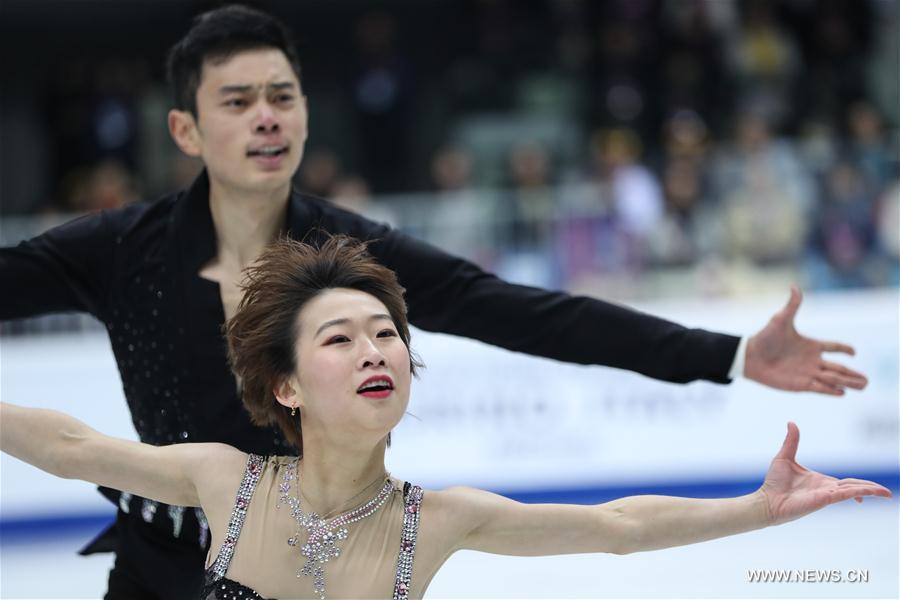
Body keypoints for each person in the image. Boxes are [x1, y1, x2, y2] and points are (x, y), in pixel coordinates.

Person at [0, 5, 868, 599]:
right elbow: (68, 440)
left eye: (283, 96)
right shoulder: (119, 250)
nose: (267, 117)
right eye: (238, 101)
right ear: (186, 129)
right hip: (160, 565)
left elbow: (526, 312)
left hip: (352, 559)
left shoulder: (354, 258)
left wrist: (727, 354)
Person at [1, 236, 891, 600]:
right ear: (287, 387)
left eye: (386, 334)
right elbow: (75, 446)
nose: (376, 351)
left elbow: (618, 527)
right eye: (341, 339)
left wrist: (755, 509)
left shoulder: (434, 523)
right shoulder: (224, 481)